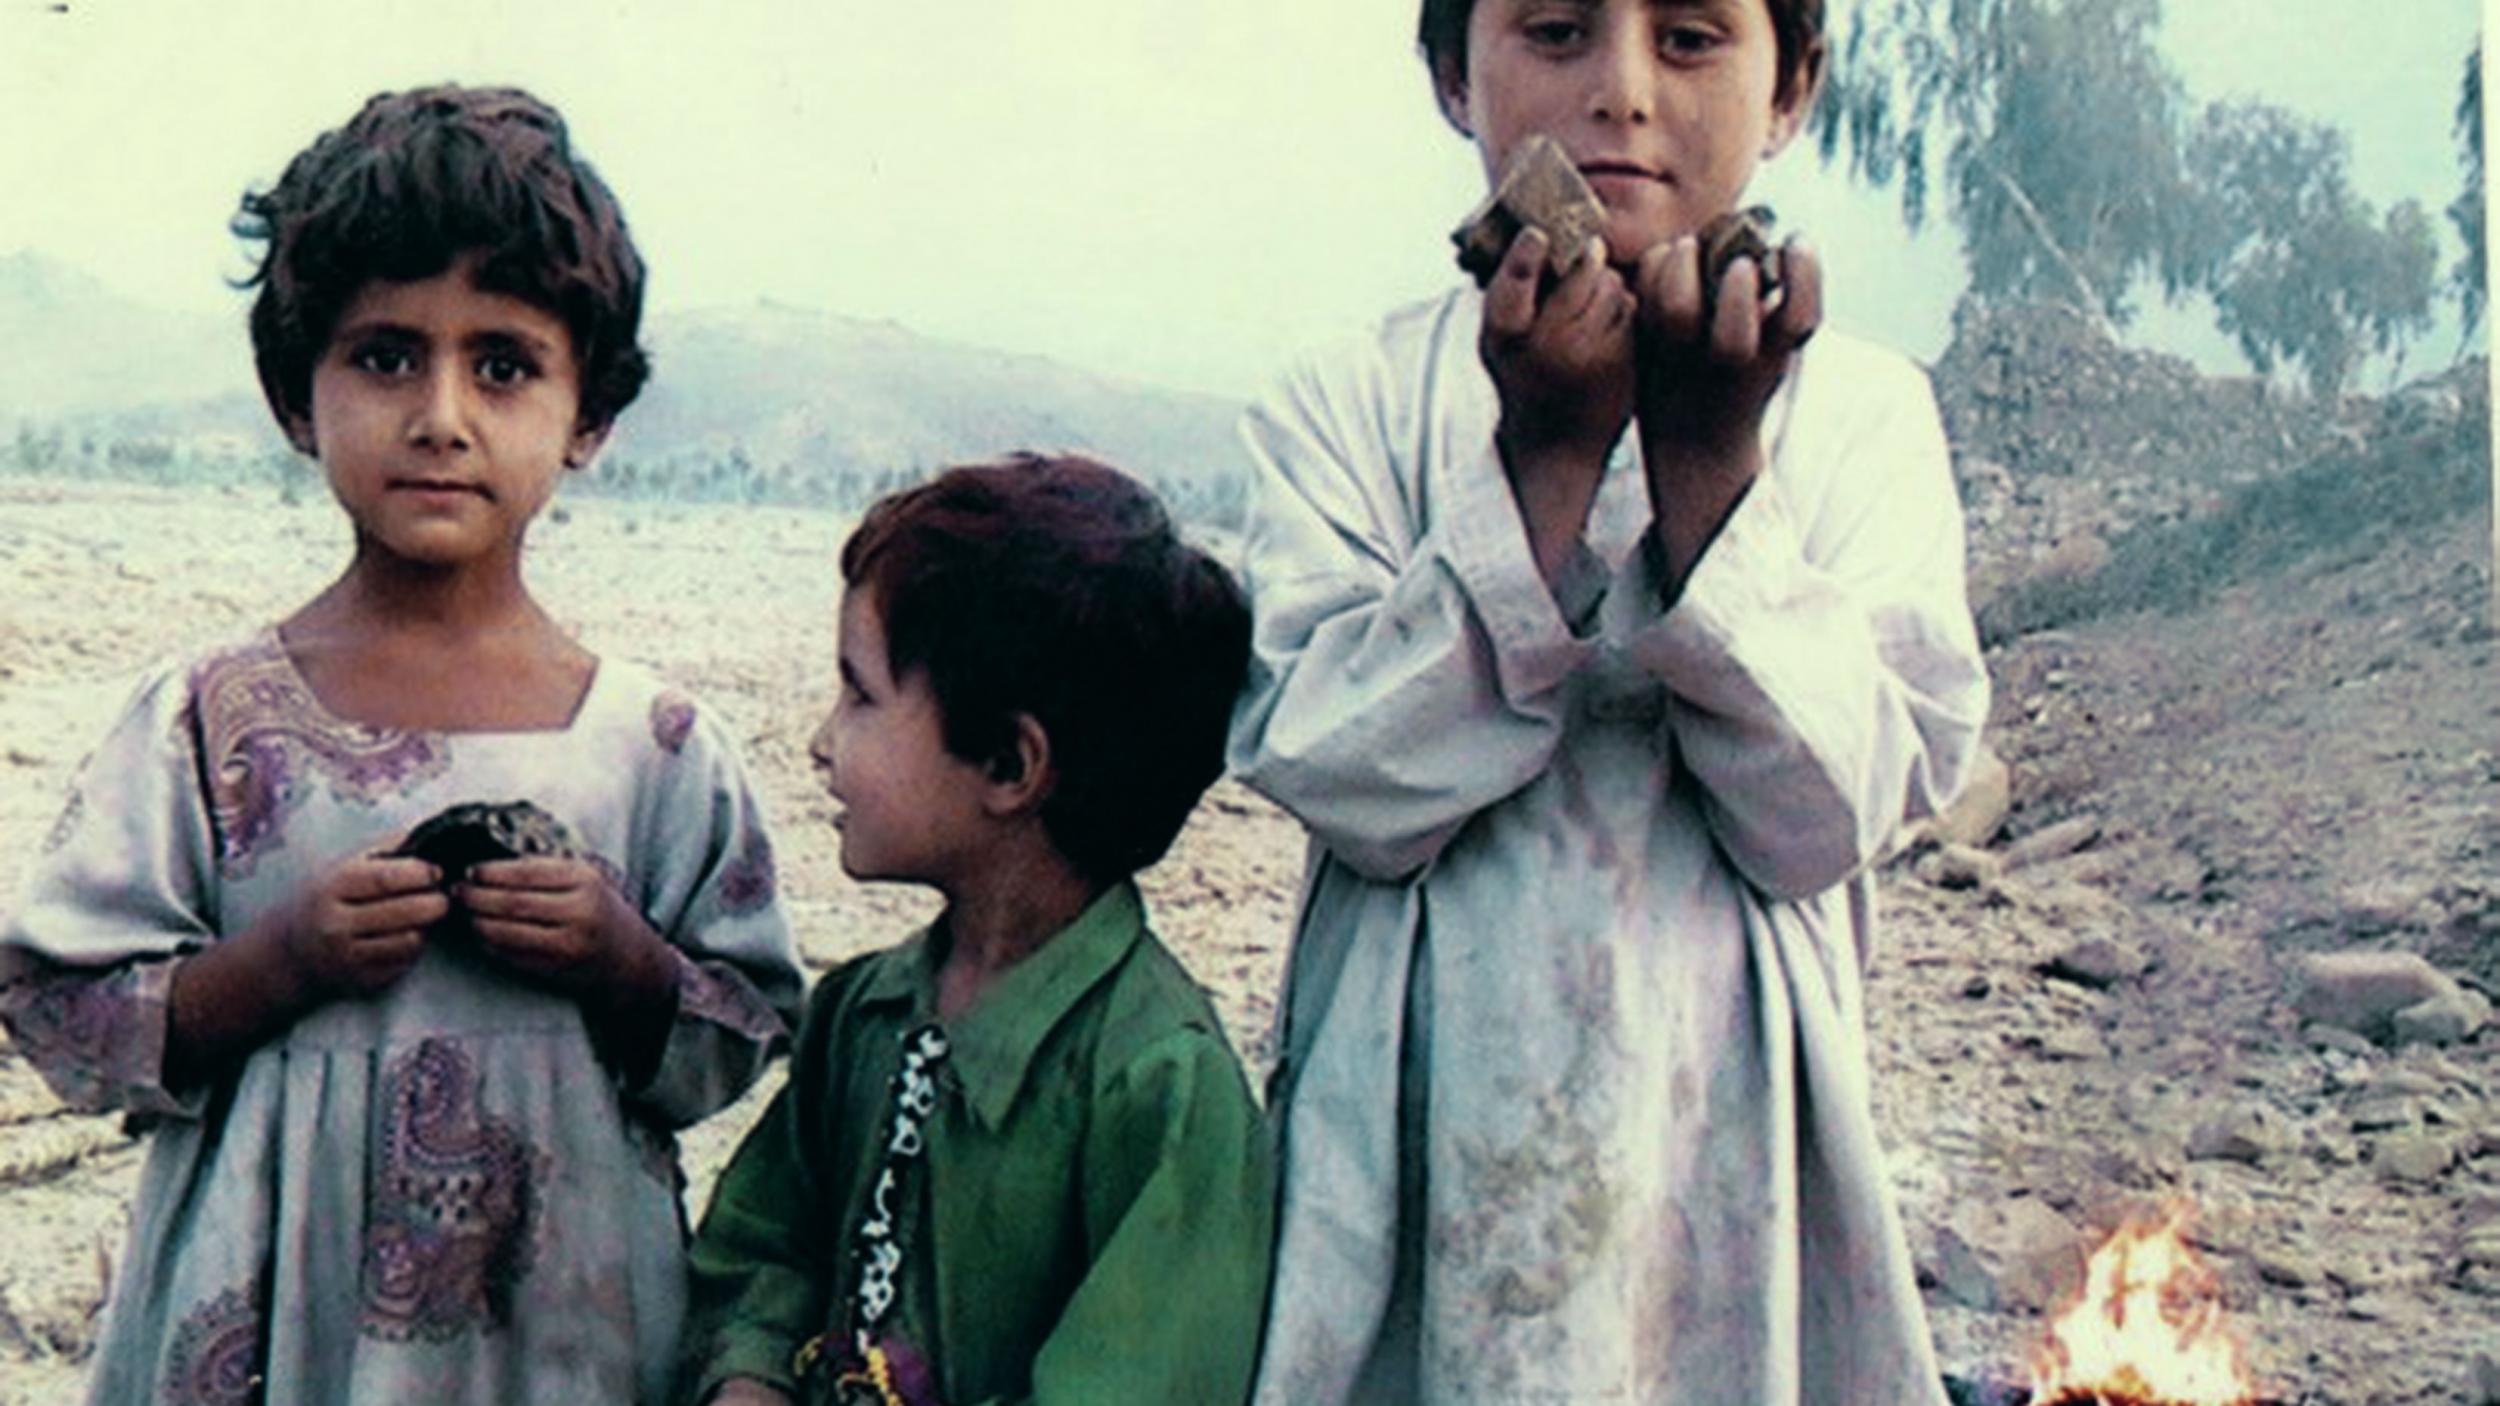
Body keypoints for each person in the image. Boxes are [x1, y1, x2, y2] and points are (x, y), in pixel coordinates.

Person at [1229, 0, 1989, 1401]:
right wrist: (1542, 468)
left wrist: (1710, 477)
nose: (1623, 94)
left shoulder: (1865, 416)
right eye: (1560, 31)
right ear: (1455, 73)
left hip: (1729, 1147)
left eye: (1692, 38)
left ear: (1792, 90)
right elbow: (1339, 776)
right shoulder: (1345, 400)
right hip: (1419, 1152)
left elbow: (1824, 818)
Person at [0, 85, 804, 1404]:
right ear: (295, 398)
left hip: (564, 1338)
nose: (442, 413)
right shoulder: (205, 721)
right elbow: (63, 1011)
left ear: (588, 416)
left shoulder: (658, 749)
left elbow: (742, 1031)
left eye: (503, 363)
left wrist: (620, 958)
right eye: (384, 355)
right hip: (275, 1333)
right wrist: (279, 960)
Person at [677, 455, 1273, 1406]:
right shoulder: (857, 1016)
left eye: (860, 695)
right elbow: (760, 1249)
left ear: (1007, 763)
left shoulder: (1162, 1084)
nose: (822, 743)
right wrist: (748, 1380)